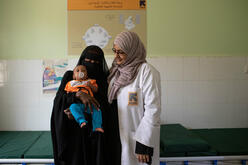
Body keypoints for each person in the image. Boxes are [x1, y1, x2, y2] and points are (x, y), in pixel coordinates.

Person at [51, 45, 111, 165]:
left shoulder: (103, 81)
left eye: (96, 62)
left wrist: (85, 113)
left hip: (95, 137)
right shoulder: (70, 76)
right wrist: (77, 95)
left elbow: (108, 108)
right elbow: (58, 100)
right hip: (73, 136)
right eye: (88, 61)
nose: (91, 64)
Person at [108, 31, 161, 165]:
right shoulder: (115, 72)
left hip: (138, 139)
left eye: (121, 52)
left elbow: (153, 110)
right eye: (115, 51)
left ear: (132, 51)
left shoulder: (146, 71)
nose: (116, 56)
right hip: (116, 138)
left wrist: (144, 142)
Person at [64, 65, 104, 132]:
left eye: (83, 70)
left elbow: (96, 90)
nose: (81, 72)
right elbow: (67, 94)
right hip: (78, 104)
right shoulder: (71, 83)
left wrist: (90, 86)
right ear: (74, 76)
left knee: (97, 110)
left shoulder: (90, 81)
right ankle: (82, 121)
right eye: (78, 71)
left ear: (87, 74)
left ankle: (97, 126)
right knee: (72, 107)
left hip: (89, 104)